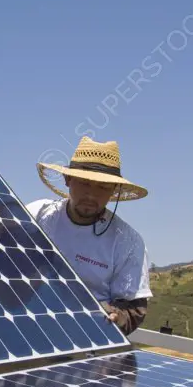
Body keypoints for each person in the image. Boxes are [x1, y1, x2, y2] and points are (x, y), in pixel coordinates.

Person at [25, 137, 152, 336]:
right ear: (68, 180)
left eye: (103, 187)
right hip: (27, 325)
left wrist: (117, 317)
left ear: (114, 191)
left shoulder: (127, 242)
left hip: (85, 337)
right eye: (85, 183)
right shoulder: (37, 214)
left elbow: (133, 307)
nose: (91, 195)